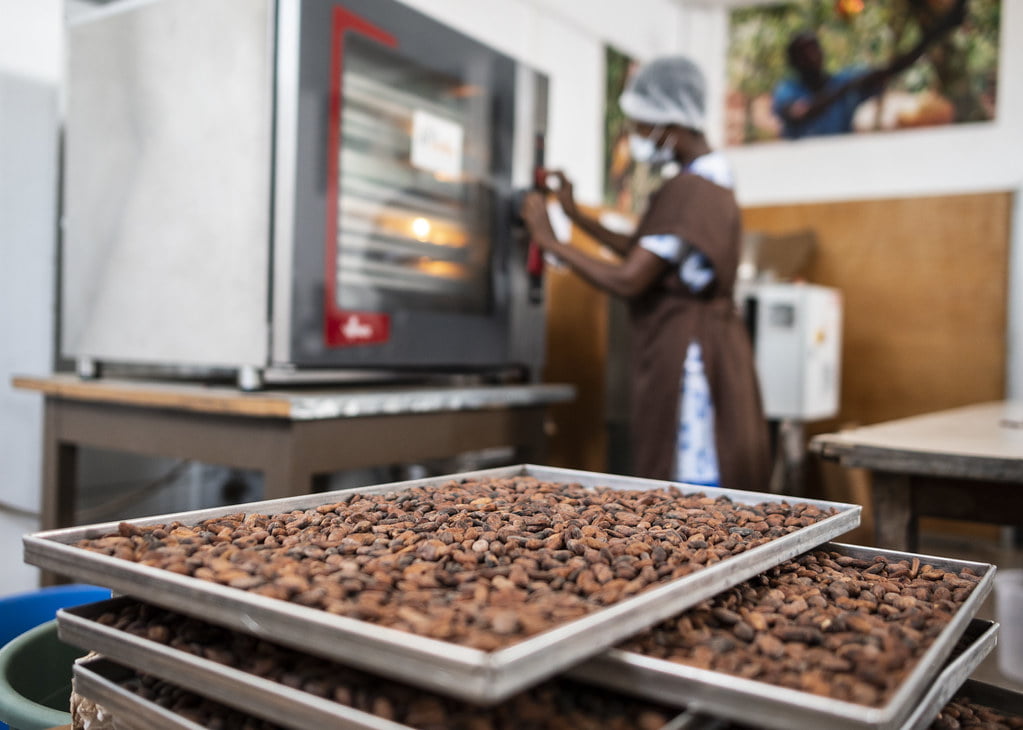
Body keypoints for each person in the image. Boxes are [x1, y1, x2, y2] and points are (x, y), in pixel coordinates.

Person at [520, 56, 771, 491]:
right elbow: (645, 248)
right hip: (710, 339)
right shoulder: (708, 177)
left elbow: (630, 278)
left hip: (690, 350)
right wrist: (576, 215)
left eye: (639, 125)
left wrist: (550, 241)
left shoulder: (692, 189)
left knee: (693, 488)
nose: (636, 137)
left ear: (668, 124)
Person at [773, 0, 967, 139]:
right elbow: (800, 113)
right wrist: (845, 88)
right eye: (803, 52)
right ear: (793, 60)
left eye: (814, 48)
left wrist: (935, 34)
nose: (811, 56)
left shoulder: (844, 79)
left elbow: (891, 69)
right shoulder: (787, 91)